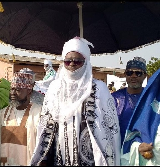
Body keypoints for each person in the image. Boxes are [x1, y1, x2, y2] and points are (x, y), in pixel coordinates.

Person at [30, 37, 121, 166]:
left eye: (78, 61)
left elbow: (111, 130)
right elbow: (45, 126)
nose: (72, 64)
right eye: (68, 61)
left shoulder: (98, 88)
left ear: (86, 62)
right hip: (59, 157)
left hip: (90, 160)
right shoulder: (55, 88)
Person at [0, 68, 42, 166]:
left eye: (18, 90)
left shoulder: (39, 113)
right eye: (12, 89)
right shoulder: (3, 113)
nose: (13, 93)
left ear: (29, 91)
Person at [111, 57, 147, 146]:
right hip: (120, 149)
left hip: (146, 150)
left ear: (145, 76)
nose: (133, 76)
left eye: (138, 73)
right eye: (130, 73)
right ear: (125, 75)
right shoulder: (115, 98)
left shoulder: (151, 97)